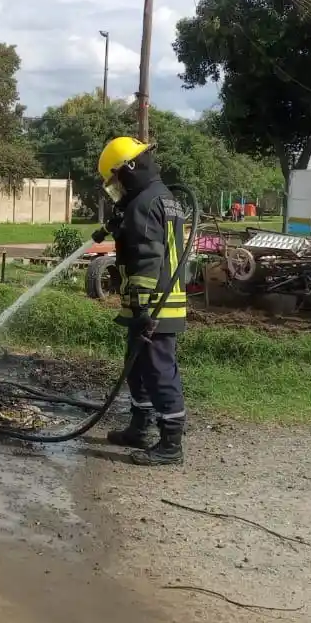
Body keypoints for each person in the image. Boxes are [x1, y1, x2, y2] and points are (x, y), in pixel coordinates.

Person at [90, 136, 187, 465]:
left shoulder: (144, 203)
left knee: (159, 372)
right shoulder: (161, 197)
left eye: (116, 180)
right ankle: (140, 426)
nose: (115, 188)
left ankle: (171, 443)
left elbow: (147, 257)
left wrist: (144, 309)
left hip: (155, 307)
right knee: (137, 368)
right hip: (151, 305)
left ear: (130, 169)